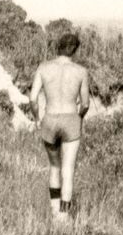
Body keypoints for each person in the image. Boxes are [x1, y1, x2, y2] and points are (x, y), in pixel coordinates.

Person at [29, 30, 91, 219]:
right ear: (75, 50)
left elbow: (32, 98)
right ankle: (64, 217)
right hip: (71, 119)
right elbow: (86, 103)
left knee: (54, 167)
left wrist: (37, 118)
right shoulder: (81, 71)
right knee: (68, 169)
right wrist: (79, 117)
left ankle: (54, 213)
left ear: (58, 48)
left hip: (50, 118)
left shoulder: (43, 67)